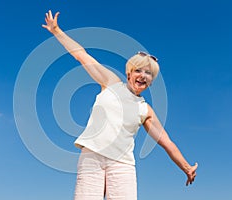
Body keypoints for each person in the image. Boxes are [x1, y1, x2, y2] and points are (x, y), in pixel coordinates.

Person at [42, 10, 198, 200]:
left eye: (148, 73)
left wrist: (186, 167)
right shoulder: (110, 83)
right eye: (138, 70)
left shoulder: (145, 110)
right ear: (129, 73)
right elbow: (81, 56)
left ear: (151, 81)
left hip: (122, 164)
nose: (142, 75)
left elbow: (167, 142)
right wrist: (57, 31)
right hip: (92, 157)